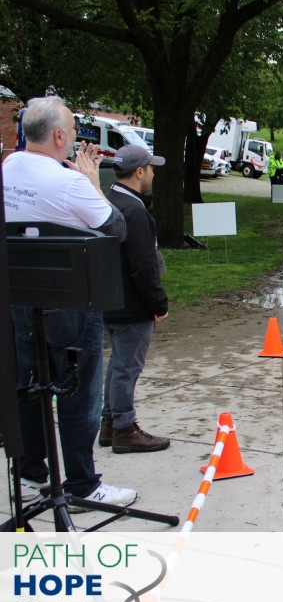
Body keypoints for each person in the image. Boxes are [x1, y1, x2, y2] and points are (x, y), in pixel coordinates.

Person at [2, 95, 137, 509]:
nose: (77, 137)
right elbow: (116, 228)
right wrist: (92, 183)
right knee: (79, 391)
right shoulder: (70, 183)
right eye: (74, 130)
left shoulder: (9, 167)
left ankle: (30, 471)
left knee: (29, 384)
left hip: (21, 297)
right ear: (59, 136)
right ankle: (82, 482)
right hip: (71, 301)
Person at [98, 144, 171, 454]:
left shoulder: (108, 200)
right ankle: (125, 428)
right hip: (132, 305)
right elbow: (143, 265)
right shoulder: (135, 211)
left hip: (110, 300)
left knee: (117, 365)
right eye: (151, 169)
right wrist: (159, 303)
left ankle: (110, 423)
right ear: (139, 172)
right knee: (127, 367)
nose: (153, 174)